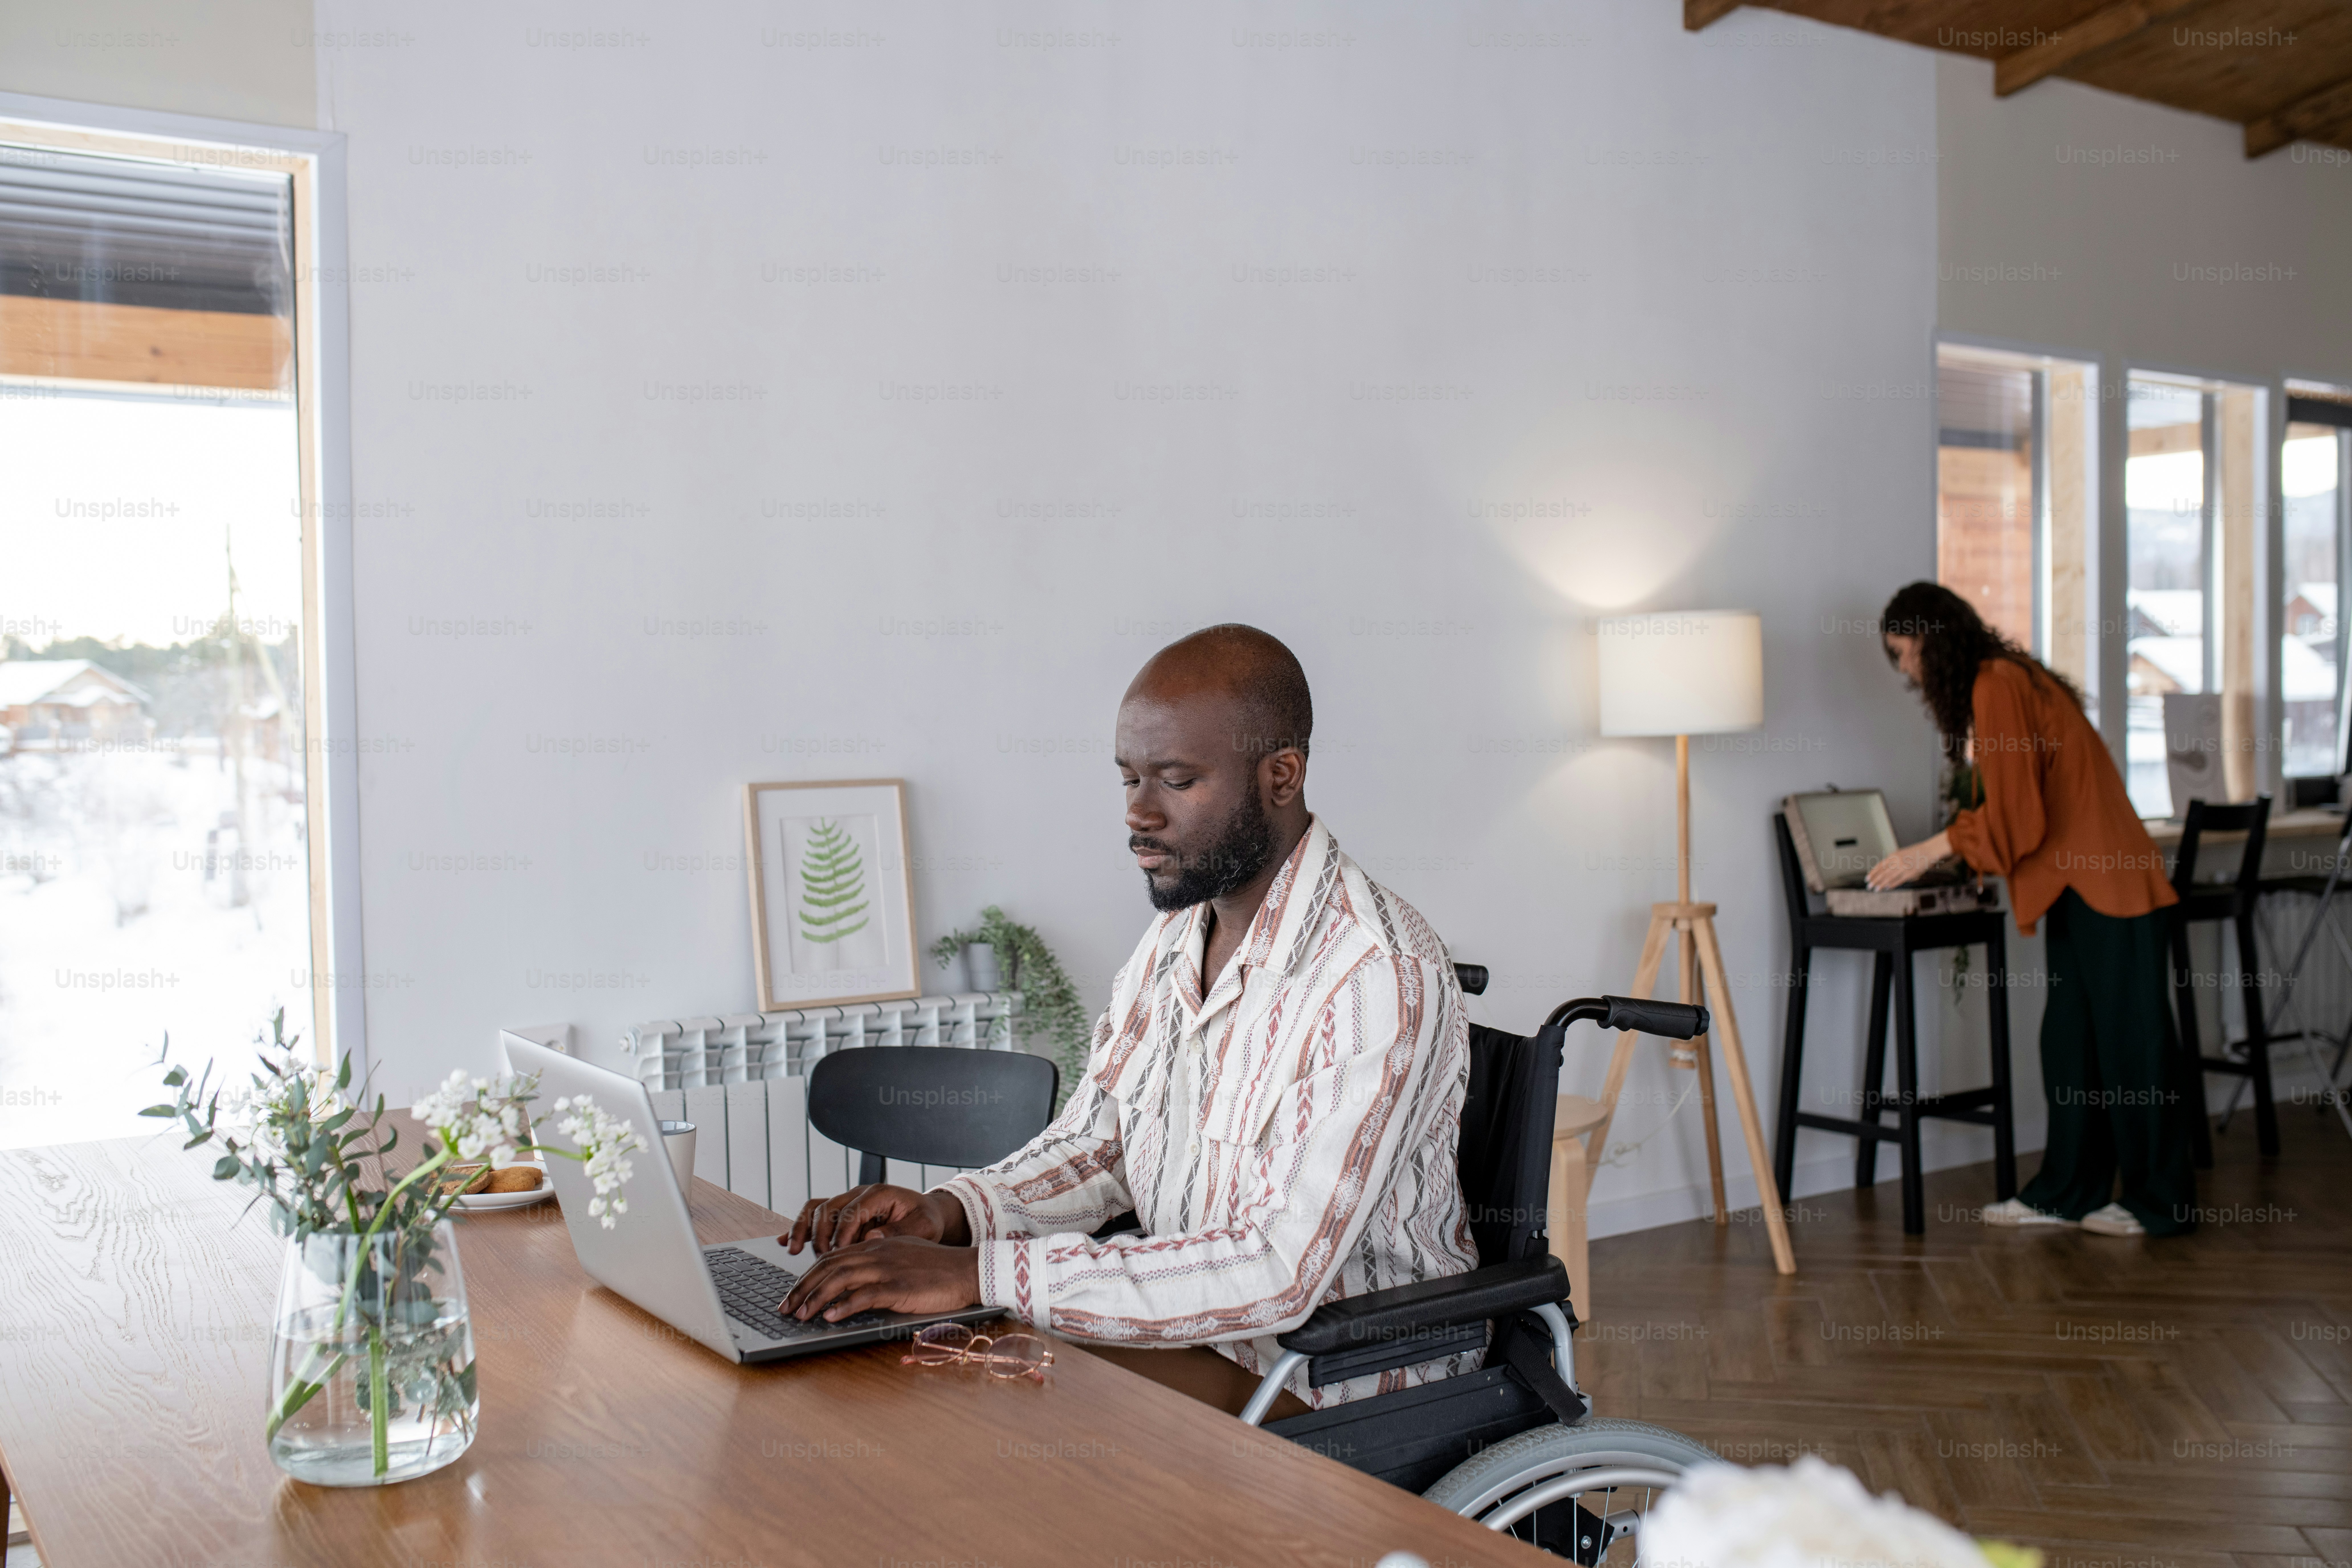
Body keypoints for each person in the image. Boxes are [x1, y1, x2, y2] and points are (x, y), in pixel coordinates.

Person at [777, 624, 1477, 1414]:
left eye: (1176, 781)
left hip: (1332, 1377)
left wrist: (979, 1274)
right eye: (1129, 779)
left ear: (1281, 776)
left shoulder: (1374, 972)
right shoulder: (1177, 935)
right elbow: (1101, 1146)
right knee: (917, 1361)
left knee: (981, 1400)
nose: (1139, 814)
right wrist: (952, 1215)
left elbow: (1277, 1271)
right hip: (1193, 1334)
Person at [1866, 582, 2193, 1238]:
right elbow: (2023, 808)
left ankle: (2162, 1202)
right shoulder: (2008, 678)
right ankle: (2066, 1191)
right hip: (2076, 884)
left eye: (1905, 653)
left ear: (1933, 640)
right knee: (2072, 1045)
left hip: (2110, 883)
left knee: (2134, 1046)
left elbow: (2018, 816)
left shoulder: (1997, 683)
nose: (1906, 670)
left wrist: (1931, 849)